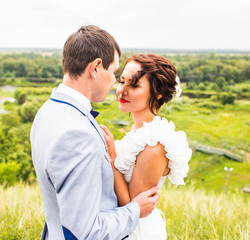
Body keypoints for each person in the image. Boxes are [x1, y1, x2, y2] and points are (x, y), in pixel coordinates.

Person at [30, 26, 160, 240]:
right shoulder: (76, 135)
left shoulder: (47, 111)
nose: (114, 82)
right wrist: (135, 210)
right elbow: (86, 232)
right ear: (96, 67)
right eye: (114, 72)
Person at [100, 54, 192, 239]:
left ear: (157, 93)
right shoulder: (139, 132)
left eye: (134, 85)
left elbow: (133, 207)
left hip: (137, 232)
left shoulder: (155, 144)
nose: (122, 91)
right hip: (121, 227)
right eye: (122, 81)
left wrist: (112, 159)